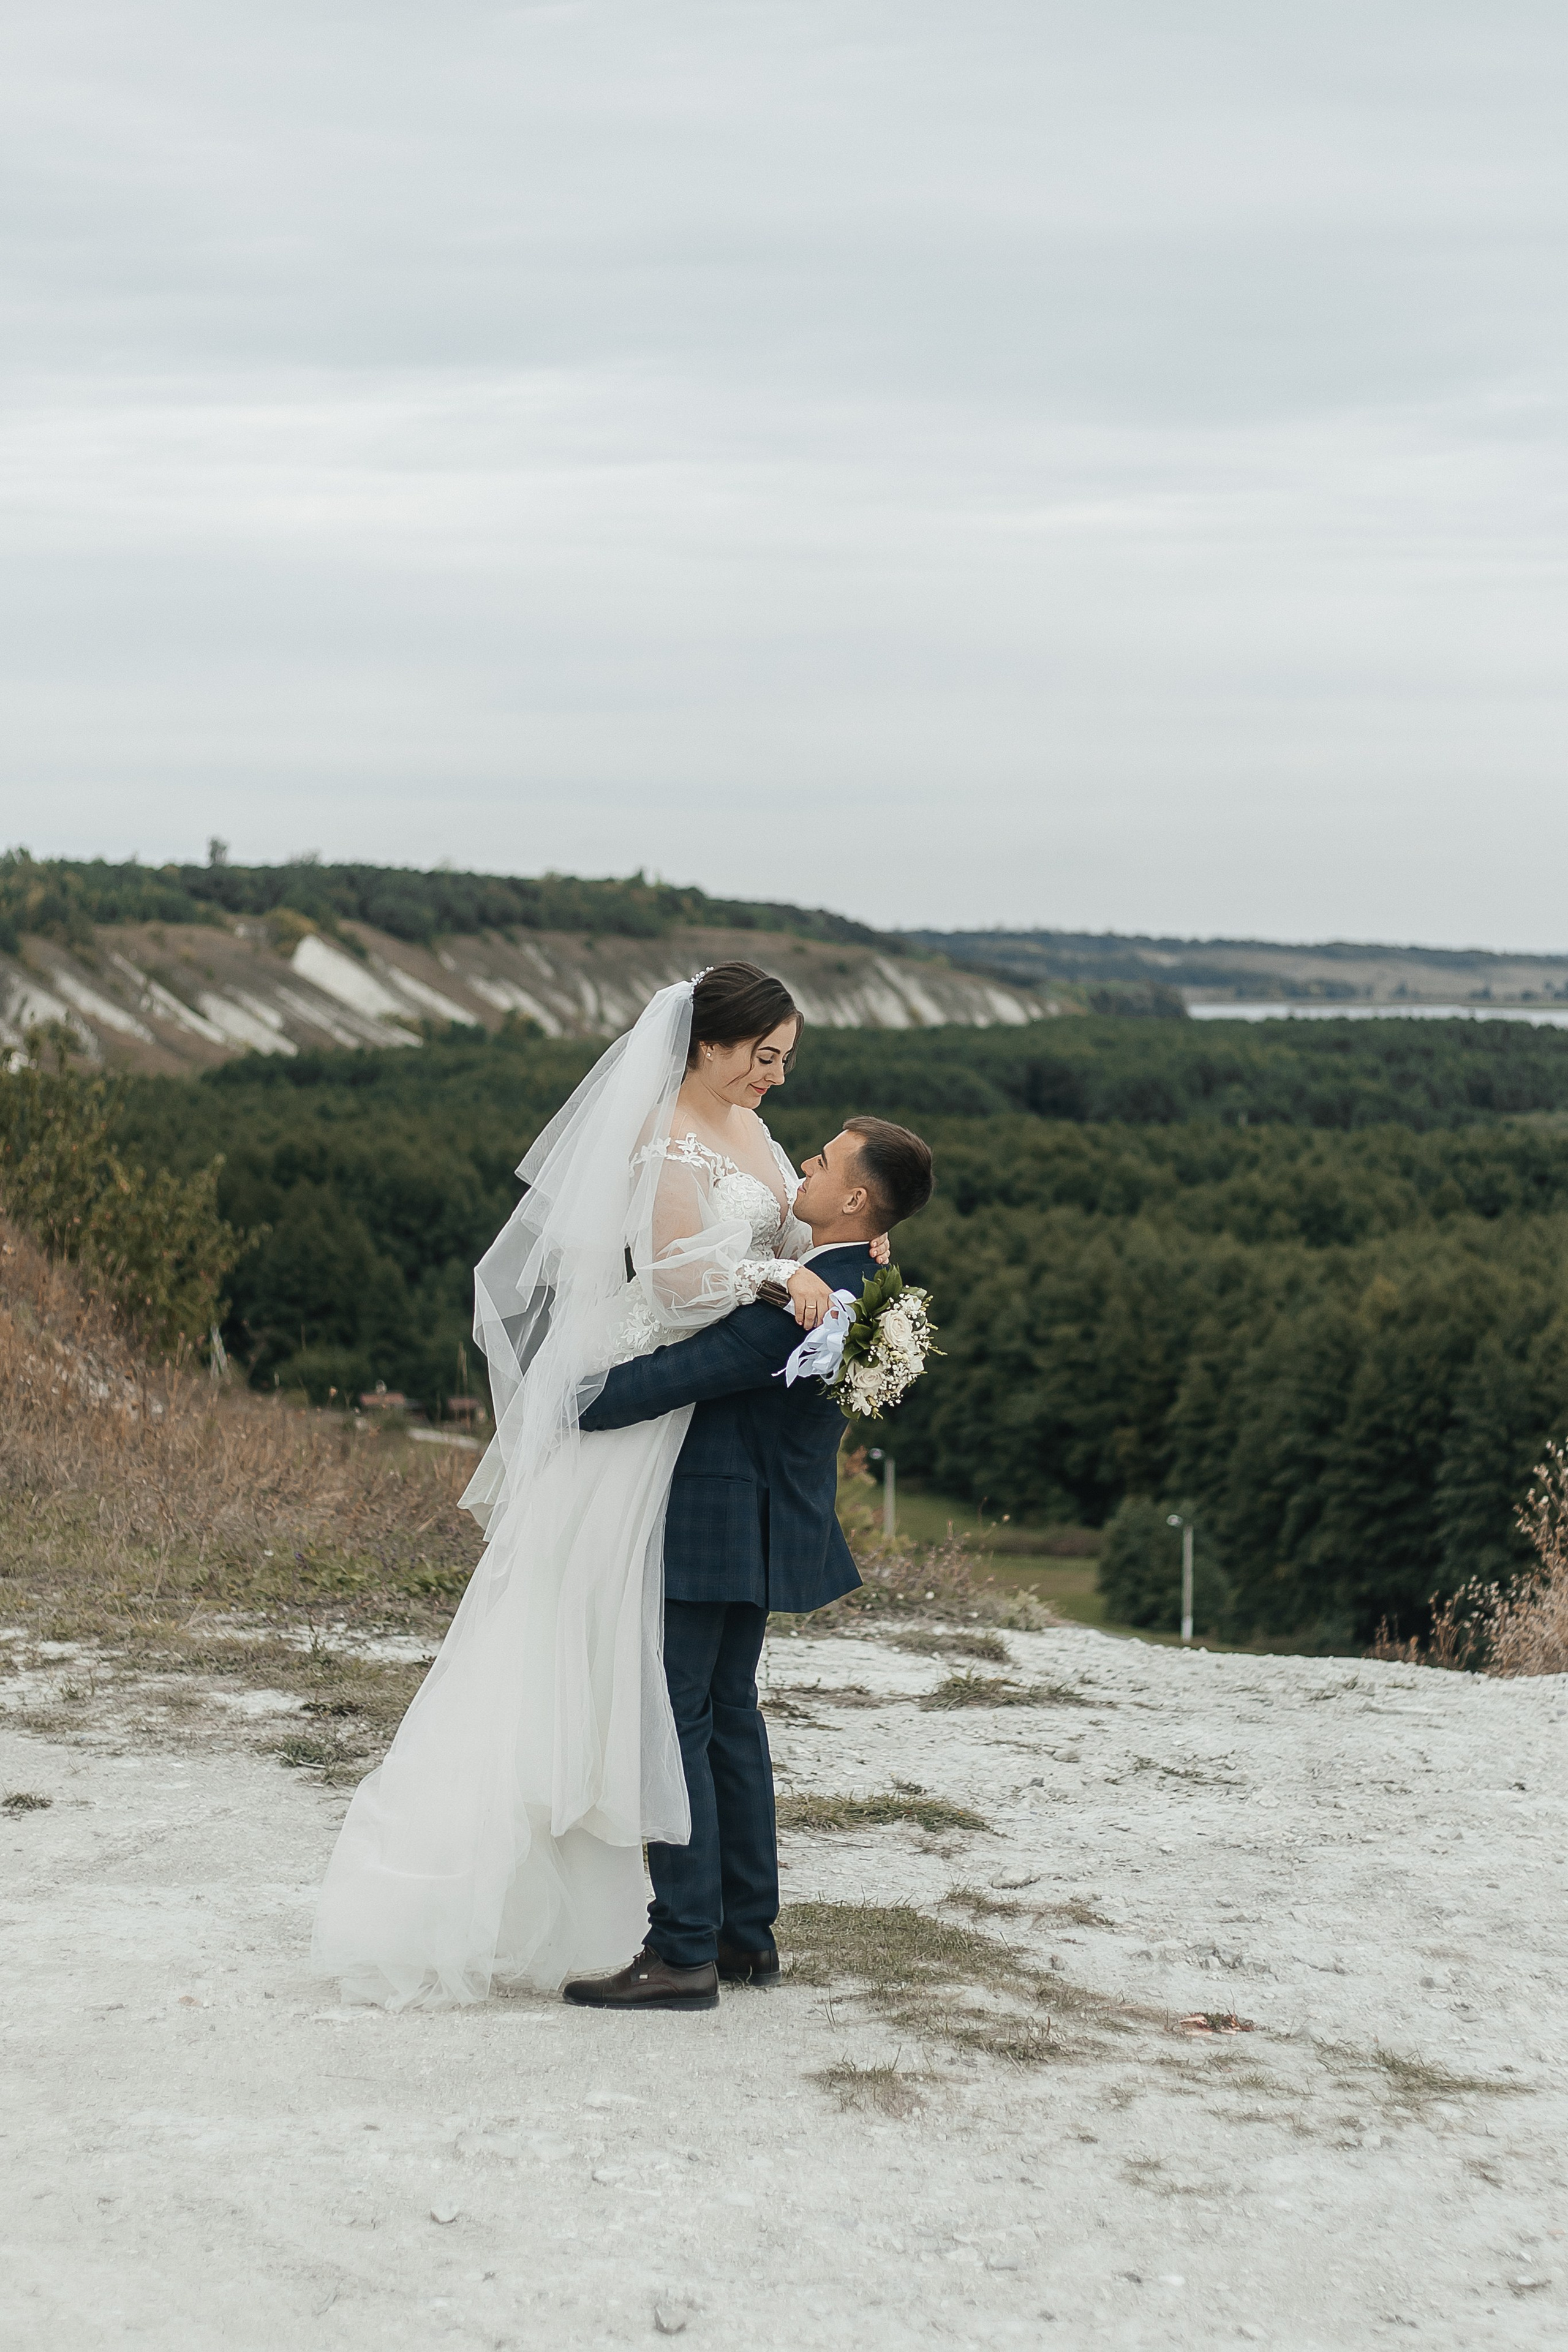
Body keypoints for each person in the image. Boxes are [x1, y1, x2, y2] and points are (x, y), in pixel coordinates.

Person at [312, 963, 882, 2005]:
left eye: (787, 1062)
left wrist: (831, 1249)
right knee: (657, 1693)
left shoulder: (752, 1137)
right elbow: (672, 1277)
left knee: (705, 1701)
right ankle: (705, 1934)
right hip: (643, 1414)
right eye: (765, 1056)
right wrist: (775, 1275)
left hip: (696, 1429)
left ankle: (713, 1939)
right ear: (708, 1043)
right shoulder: (661, 1134)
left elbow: (775, 1232)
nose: (775, 1079)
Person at [560, 1112, 935, 2013]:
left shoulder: (793, 1306)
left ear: (853, 1197)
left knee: (679, 1718)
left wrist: (565, 1401)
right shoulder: (868, 1285)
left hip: (716, 1519)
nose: (800, 1165)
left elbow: (672, 1379)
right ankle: (744, 1938)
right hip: (769, 1516)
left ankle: (682, 1950)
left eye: (821, 1161)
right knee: (729, 1715)